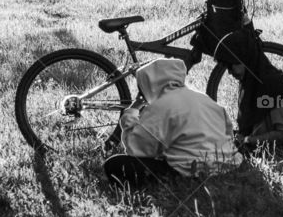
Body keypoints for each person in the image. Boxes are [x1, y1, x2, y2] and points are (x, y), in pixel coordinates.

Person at [104, 58, 243, 185]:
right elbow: (229, 133)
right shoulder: (205, 99)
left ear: (150, 84)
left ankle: (172, 181)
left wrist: (133, 109)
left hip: (190, 173)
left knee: (114, 164)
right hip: (228, 166)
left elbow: (136, 148)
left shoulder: (159, 107)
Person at [213, 28, 283, 157]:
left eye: (231, 66)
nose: (230, 72)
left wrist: (249, 140)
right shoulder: (251, 84)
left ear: (245, 60)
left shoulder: (273, 87)